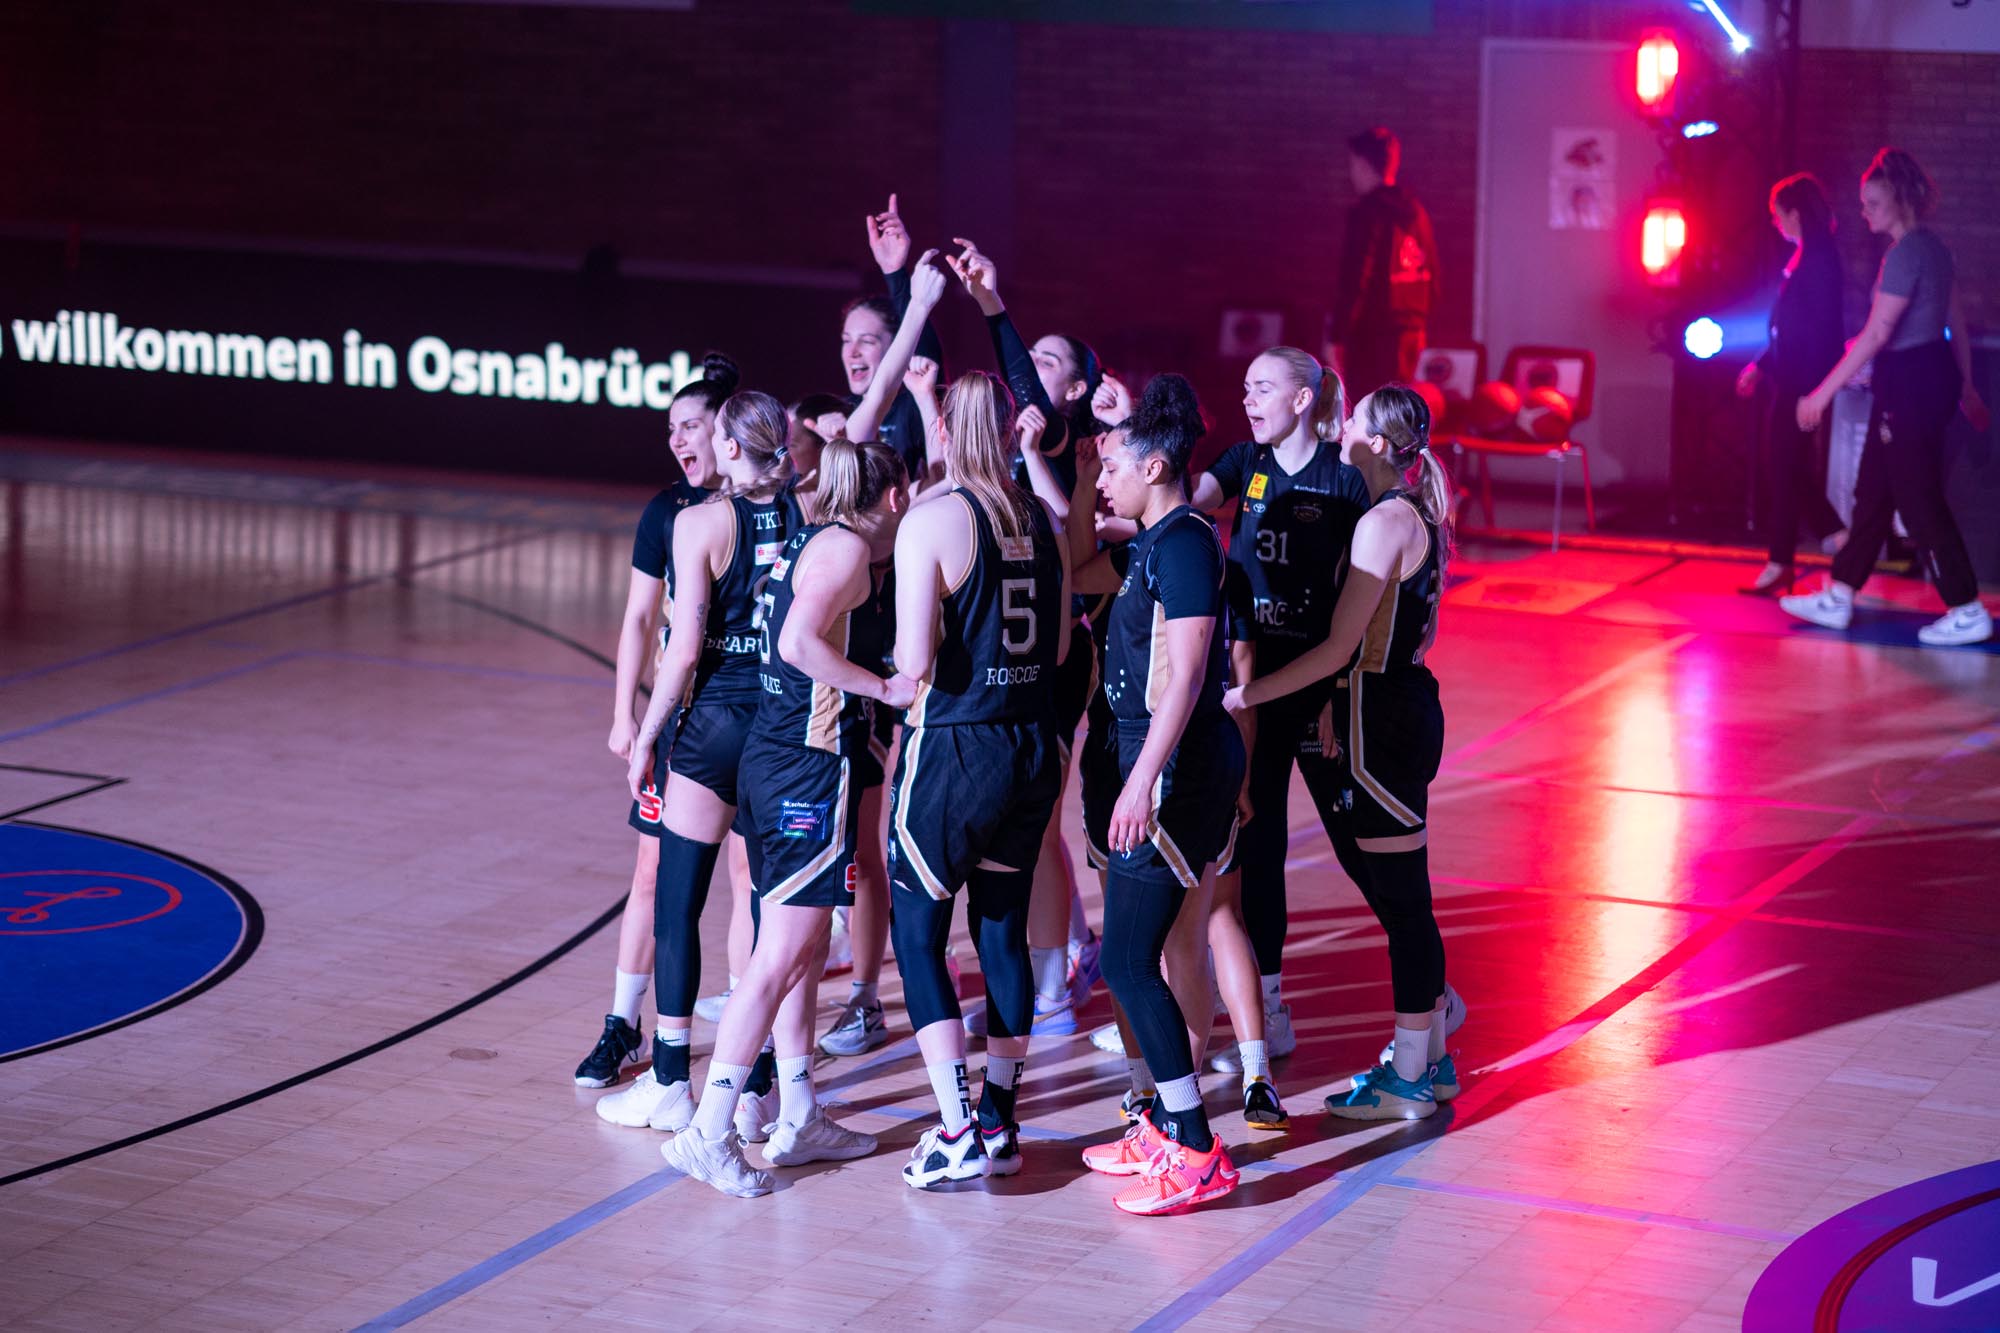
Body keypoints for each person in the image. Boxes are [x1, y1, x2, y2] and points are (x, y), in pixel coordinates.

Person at [666, 438, 916, 1197]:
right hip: (804, 766)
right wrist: (881, 686)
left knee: (798, 949)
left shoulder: (814, 533)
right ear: (894, 497)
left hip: (777, 758)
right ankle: (710, 1130)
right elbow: (798, 641)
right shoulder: (846, 550)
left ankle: (800, 1112)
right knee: (779, 956)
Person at [1225, 385, 1457, 1121]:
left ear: (1379, 445)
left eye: (1354, 421)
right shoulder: (1413, 514)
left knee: (1404, 906)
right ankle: (1432, 1059)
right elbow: (1398, 634)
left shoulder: (1383, 522)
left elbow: (1336, 647)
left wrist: (1249, 693)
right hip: (1395, 705)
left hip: (1378, 721)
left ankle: (1410, 1073)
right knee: (1402, 898)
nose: (1342, 426)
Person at [596, 390, 802, 1137]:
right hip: (784, 727)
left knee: (678, 902)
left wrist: (647, 733)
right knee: (766, 905)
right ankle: (755, 1086)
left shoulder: (699, 522)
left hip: (714, 725)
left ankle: (670, 1081)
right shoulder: (809, 510)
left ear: (729, 446)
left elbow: (682, 650)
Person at [888, 367, 1071, 1188]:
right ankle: (999, 1117)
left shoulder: (932, 519)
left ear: (944, 431)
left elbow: (914, 660)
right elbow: (1058, 648)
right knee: (1001, 930)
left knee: (918, 931)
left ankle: (956, 1128)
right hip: (1032, 741)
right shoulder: (1041, 515)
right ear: (1006, 429)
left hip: (956, 747)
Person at [1068, 374, 1244, 1215]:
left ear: (1156, 466)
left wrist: (1140, 780)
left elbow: (1190, 675)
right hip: (1153, 763)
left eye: (1114, 467)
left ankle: (1197, 1148)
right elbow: (1077, 559)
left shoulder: (1183, 545)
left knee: (1132, 961)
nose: (1104, 479)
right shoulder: (1151, 540)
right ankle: (1166, 1127)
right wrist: (1090, 459)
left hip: (1176, 772)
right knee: (1140, 954)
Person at [577, 354, 750, 1089]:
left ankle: (747, 1029)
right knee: (650, 872)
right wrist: (625, 712)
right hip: (682, 718)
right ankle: (624, 1023)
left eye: (691, 426)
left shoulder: (764, 503)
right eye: (670, 428)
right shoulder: (666, 510)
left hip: (751, 717)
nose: (678, 439)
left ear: (726, 432)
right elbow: (639, 616)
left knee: (747, 878)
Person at [946, 236, 1104, 1039]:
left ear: (1074, 389)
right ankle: (1070, 946)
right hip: (1010, 652)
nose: (1028, 373)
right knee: (1024, 822)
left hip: (1061, 654)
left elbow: (1075, 545)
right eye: (1027, 359)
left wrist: (992, 304)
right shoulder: (1018, 443)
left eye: (1047, 363)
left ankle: (1052, 983)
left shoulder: (1073, 443)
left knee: (1034, 823)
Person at [1782, 147, 1993, 647]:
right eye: (1863, 203)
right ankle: (1840, 593)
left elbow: (1879, 334)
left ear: (1899, 199)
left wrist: (1820, 395)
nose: (1864, 211)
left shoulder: (1905, 255)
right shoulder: (1934, 250)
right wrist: (1965, 385)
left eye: (1873, 203)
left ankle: (1966, 607)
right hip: (1924, 376)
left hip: (1910, 383)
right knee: (1874, 491)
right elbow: (1953, 322)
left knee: (1917, 498)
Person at [1736, 174, 1847, 596]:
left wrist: (1812, 391)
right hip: (1793, 378)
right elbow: (1789, 326)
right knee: (1786, 466)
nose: (1774, 222)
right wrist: (1762, 364)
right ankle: (1817, 543)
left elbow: (1820, 331)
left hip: (1802, 381)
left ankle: (1800, 552)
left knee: (1785, 466)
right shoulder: (1807, 258)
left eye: (1777, 213)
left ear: (1795, 214)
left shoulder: (1818, 261)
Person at [1329, 128, 1439, 401]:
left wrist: (1337, 335)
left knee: (1369, 411)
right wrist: (1421, 325)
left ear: (1362, 164)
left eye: (1352, 164)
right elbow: (1432, 273)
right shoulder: (1417, 212)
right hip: (1410, 331)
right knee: (1397, 410)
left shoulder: (1367, 213)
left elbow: (1356, 278)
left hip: (1372, 335)